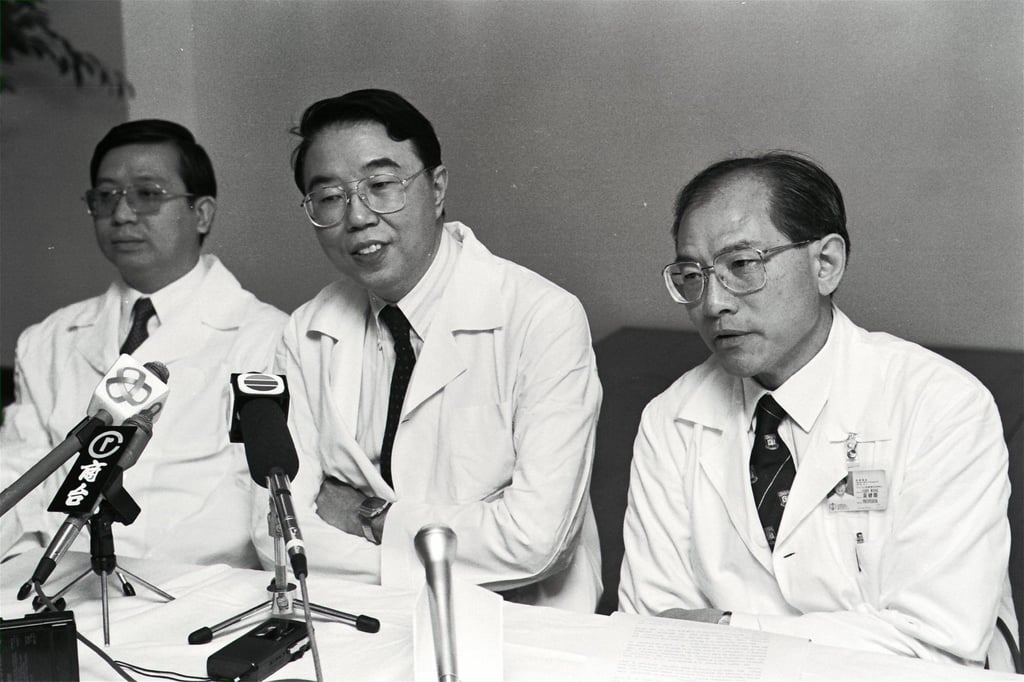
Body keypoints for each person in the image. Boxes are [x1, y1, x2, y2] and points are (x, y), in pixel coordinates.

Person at [618, 152, 1017, 666]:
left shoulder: (941, 404)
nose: (713, 302)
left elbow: (936, 641)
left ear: (825, 264)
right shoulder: (670, 419)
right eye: (693, 274)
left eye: (742, 265)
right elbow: (652, 633)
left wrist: (724, 628)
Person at [253, 89, 602, 612]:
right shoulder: (307, 330)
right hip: (354, 618)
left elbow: (534, 542)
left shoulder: (542, 316)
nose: (358, 216)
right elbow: (277, 533)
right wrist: (446, 548)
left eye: (381, 185)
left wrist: (371, 518)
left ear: (436, 188)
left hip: (520, 621)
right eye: (329, 197)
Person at [1, 120, 287, 567]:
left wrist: (137, 580)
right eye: (106, 196)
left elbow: (247, 500)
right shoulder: (48, 339)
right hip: (55, 581)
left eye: (147, 194)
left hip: (195, 590)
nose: (122, 214)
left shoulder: (267, 335)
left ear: (203, 213)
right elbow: (15, 476)